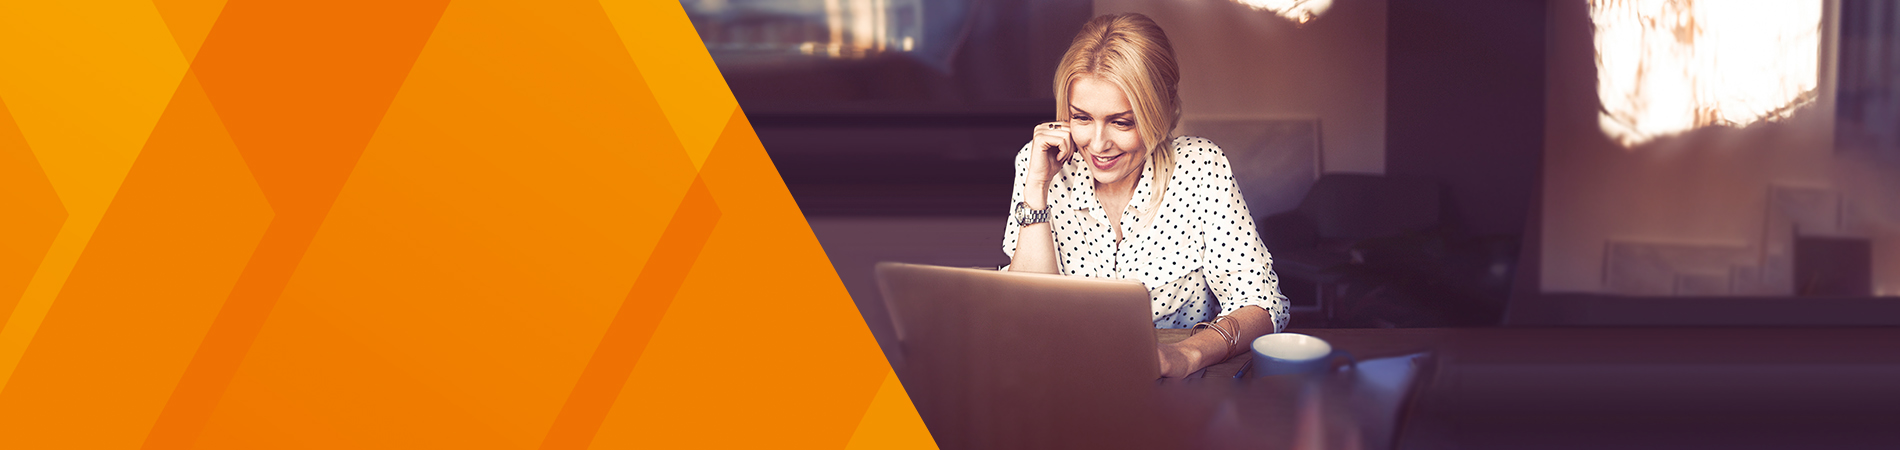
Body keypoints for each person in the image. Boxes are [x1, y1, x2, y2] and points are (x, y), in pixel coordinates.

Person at [1002, 12, 1289, 378]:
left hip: (1176, 392)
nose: (1098, 144)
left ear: (1162, 111)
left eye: (1122, 121)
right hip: (1065, 383)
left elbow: (1261, 304)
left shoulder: (1200, 167)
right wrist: (1037, 188)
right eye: (1082, 118)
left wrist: (1186, 355)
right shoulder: (1038, 162)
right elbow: (1027, 316)